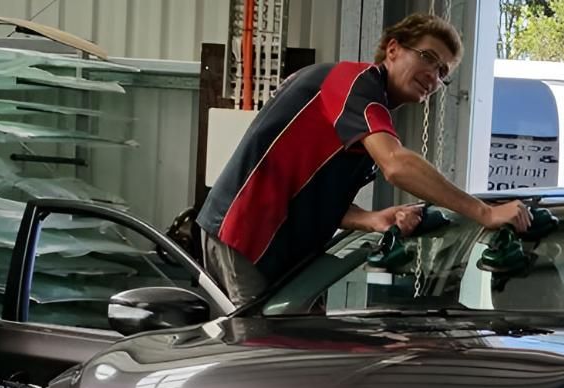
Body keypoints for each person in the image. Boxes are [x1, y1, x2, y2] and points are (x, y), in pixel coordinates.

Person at [198, 13, 531, 304]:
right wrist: (484, 212)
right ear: (393, 49)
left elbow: (313, 196)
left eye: (443, 71)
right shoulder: (355, 83)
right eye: (428, 57)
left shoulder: (367, 114)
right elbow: (397, 165)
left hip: (278, 250)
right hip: (249, 235)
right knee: (264, 358)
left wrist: (370, 219)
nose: (434, 75)